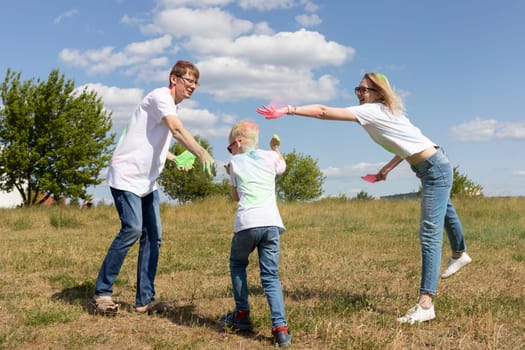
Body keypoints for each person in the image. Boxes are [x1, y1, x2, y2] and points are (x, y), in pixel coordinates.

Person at [256, 73, 471, 324]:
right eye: (356, 89)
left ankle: (426, 303)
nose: (358, 94)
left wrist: (289, 110)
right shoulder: (383, 112)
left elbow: (324, 111)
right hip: (432, 165)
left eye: (363, 89)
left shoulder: (373, 111)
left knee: (430, 232)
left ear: (378, 92)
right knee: (446, 212)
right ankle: (459, 254)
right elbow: (406, 146)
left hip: (434, 168)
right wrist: (385, 171)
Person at [93, 60, 215, 315]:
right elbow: (175, 129)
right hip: (126, 175)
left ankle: (145, 299)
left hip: (147, 182)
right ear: (174, 79)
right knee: (133, 229)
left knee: (154, 237)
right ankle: (103, 292)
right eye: (189, 81)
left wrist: (172, 158)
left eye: (196, 83)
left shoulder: (169, 106)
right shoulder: (161, 97)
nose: (193, 86)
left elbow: (148, 140)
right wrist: (201, 152)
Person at [219, 121, 291, 347]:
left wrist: (230, 174)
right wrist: (276, 148)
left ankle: (242, 314)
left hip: (248, 223)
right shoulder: (270, 157)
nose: (229, 151)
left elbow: (236, 197)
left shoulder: (234, 162)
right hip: (272, 223)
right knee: (270, 276)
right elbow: (283, 166)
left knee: (238, 264)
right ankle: (280, 327)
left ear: (238, 143)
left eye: (229, 147)